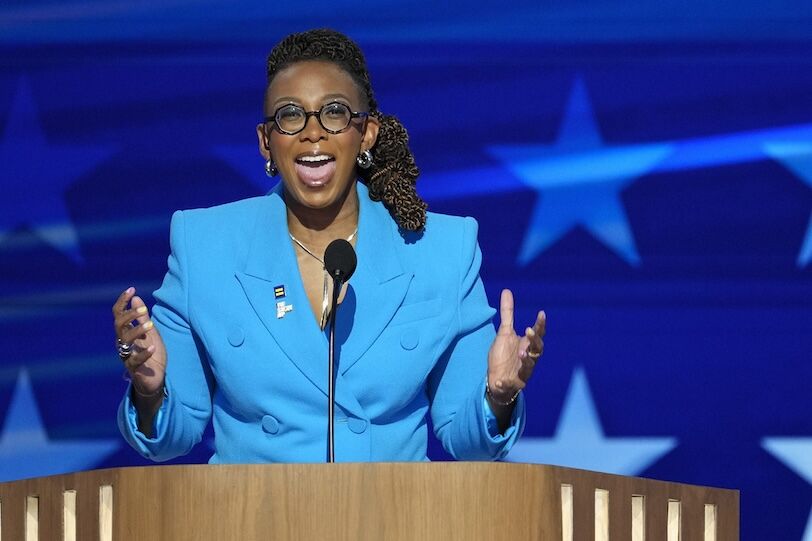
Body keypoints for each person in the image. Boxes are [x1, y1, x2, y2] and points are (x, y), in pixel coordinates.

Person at [112, 28, 546, 463]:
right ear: (267, 140)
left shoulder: (442, 250)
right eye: (289, 115)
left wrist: (499, 396)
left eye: (334, 113)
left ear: (367, 133)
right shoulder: (204, 245)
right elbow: (172, 436)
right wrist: (150, 393)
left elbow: (468, 440)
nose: (312, 133)